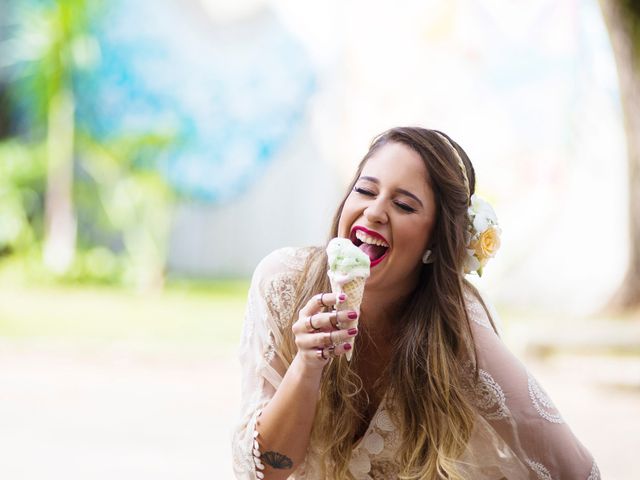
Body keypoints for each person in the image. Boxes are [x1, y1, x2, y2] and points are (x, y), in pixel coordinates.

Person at [231, 127, 599, 479]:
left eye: (404, 205)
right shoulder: (284, 283)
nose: (375, 211)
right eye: (365, 190)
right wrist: (306, 366)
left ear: (435, 243)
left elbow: (575, 469)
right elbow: (267, 471)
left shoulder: (458, 328)